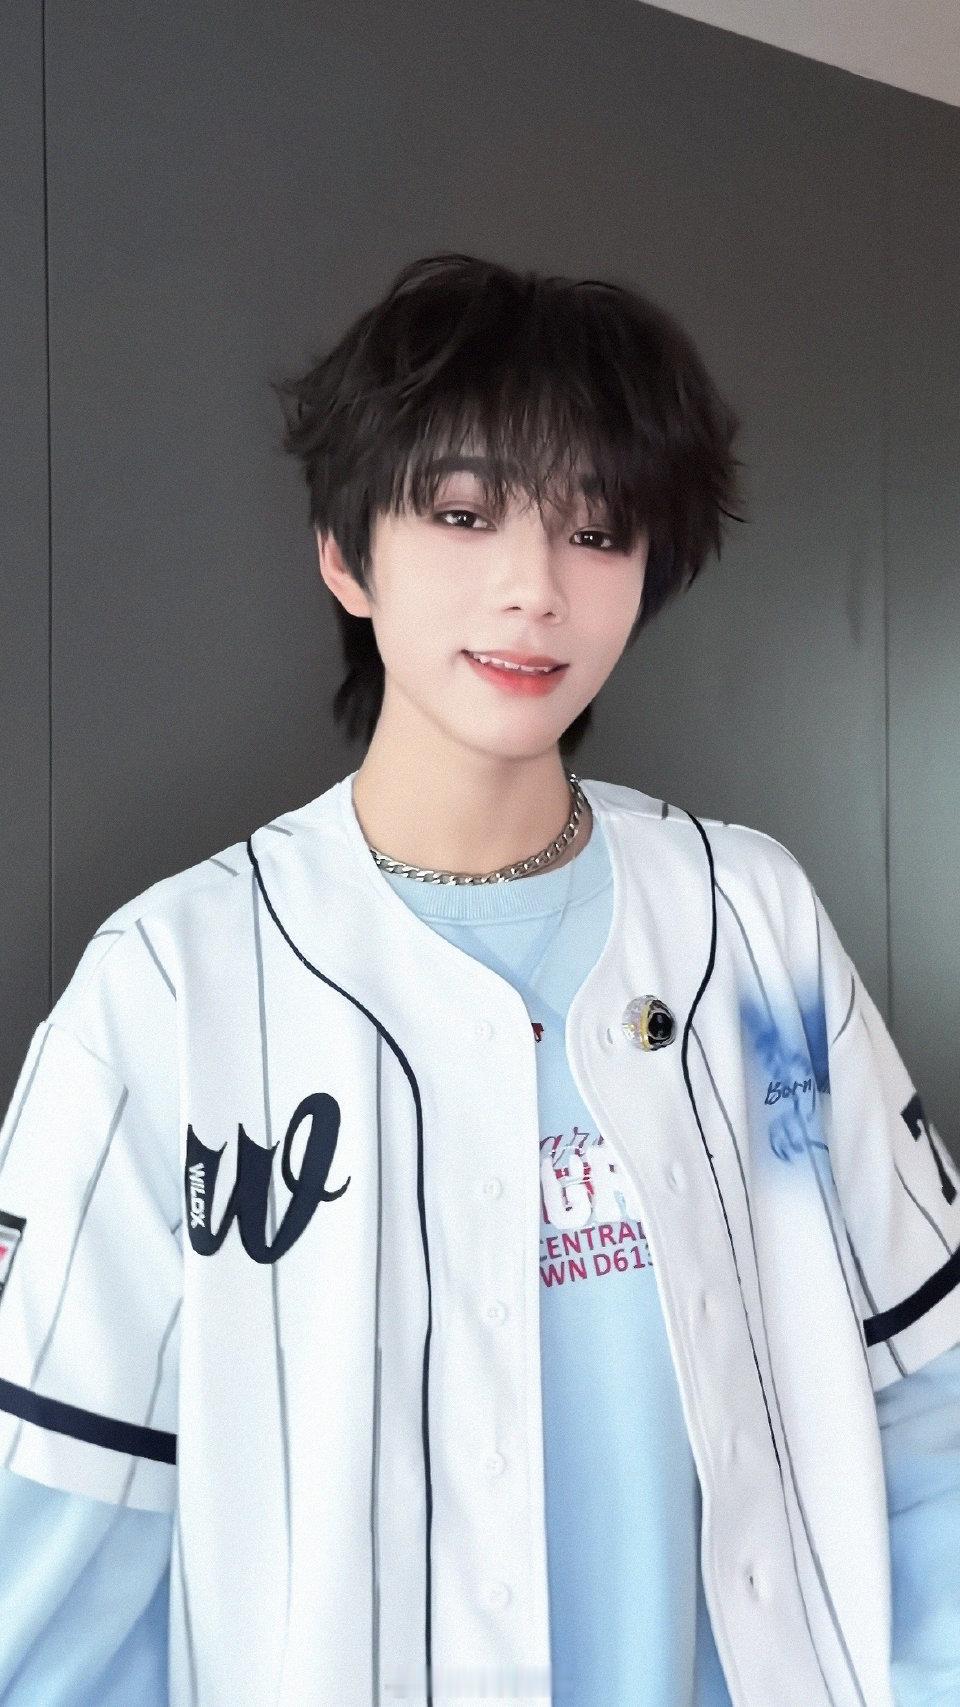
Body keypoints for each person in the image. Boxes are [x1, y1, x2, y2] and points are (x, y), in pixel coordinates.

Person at [1, 251, 958, 1707]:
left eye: (595, 530)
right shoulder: (171, 989)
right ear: (346, 553)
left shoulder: (751, 921)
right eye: (461, 513)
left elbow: (927, 1398)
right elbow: (58, 1538)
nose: (533, 591)